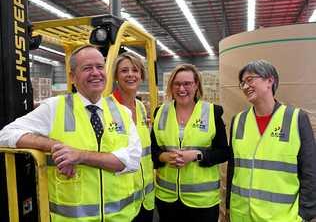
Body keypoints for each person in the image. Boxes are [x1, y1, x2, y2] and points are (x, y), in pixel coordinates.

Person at [0, 45, 142, 222]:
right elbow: (6, 134)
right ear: (72, 76)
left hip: (121, 217)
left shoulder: (122, 112)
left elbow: (133, 160)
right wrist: (55, 146)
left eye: (99, 67)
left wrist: (80, 156)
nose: (96, 73)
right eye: (87, 68)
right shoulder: (55, 107)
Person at [227, 60, 316, 222]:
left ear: (270, 81)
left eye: (250, 80)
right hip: (241, 215)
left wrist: (305, 214)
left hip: (281, 217)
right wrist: (227, 206)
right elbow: (233, 167)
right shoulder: (238, 120)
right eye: (242, 83)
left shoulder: (296, 118)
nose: (245, 86)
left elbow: (310, 170)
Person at [151, 64, 229, 222]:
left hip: (202, 202)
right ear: (171, 87)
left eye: (187, 83)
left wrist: (197, 155)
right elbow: (152, 151)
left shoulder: (212, 112)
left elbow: (223, 152)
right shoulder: (160, 112)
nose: (181, 89)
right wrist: (164, 157)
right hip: (167, 199)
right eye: (177, 84)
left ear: (196, 85)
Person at [111, 52, 155, 222]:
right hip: (123, 203)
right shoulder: (107, 108)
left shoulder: (141, 107)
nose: (130, 74)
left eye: (135, 70)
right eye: (124, 71)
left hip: (146, 199)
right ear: (116, 75)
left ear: (141, 75)